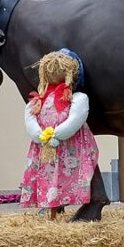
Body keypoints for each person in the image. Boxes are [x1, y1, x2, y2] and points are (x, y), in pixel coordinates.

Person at [20, 49, 99, 220]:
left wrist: (57, 134)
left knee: (62, 174)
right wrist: (40, 135)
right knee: (49, 174)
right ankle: (52, 209)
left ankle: (58, 207)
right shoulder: (38, 101)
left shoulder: (77, 98)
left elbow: (76, 117)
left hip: (66, 145)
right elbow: (30, 117)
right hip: (45, 146)